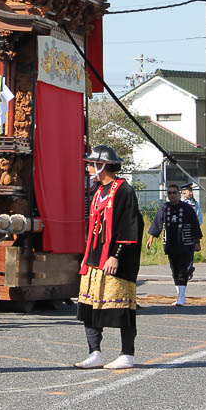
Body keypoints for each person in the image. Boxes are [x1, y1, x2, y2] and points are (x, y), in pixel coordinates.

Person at [75, 145, 143, 370]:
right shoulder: (97, 191)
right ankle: (94, 352)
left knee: (123, 308)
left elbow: (130, 226)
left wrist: (115, 256)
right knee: (89, 308)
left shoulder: (124, 190)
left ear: (102, 165)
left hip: (116, 261)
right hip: (94, 259)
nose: (87, 169)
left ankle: (127, 354)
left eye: (90, 164)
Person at [147, 184, 202, 306]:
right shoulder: (164, 208)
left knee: (183, 269)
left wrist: (197, 242)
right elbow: (157, 223)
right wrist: (151, 237)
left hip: (186, 244)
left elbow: (195, 225)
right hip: (171, 243)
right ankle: (180, 295)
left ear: (179, 194)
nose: (172, 195)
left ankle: (181, 296)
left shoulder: (187, 208)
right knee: (175, 269)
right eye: (170, 193)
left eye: (174, 193)